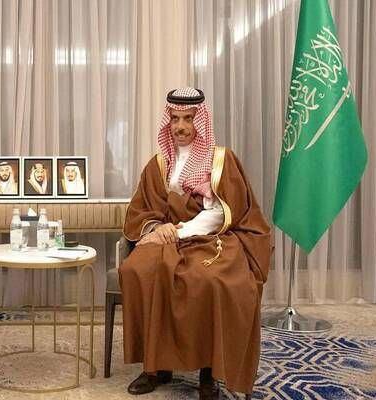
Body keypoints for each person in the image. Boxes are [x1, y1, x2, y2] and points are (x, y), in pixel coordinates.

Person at [120, 88, 270, 399]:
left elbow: (221, 212)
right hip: (166, 236)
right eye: (175, 119)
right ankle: (155, 367)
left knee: (209, 280)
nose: (181, 126)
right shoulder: (159, 163)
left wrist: (180, 231)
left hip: (211, 237)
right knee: (137, 271)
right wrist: (158, 228)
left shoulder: (221, 160)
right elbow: (142, 208)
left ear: (199, 121)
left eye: (188, 119)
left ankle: (208, 372)